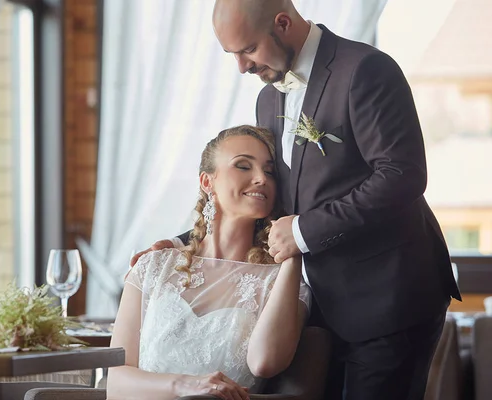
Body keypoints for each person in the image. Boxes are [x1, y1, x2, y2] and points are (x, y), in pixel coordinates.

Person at [133, 1, 462, 399]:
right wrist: (189, 243)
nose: (242, 67)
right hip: (320, 307)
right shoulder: (268, 98)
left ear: (283, 23)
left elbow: (402, 175)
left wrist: (304, 231)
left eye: (248, 50)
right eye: (232, 54)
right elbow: (265, 195)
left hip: (388, 297)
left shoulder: (365, 69)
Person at [108, 125, 311, 400]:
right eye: (243, 166)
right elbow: (116, 383)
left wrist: (292, 251)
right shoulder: (153, 267)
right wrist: (185, 385)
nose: (261, 178)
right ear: (207, 182)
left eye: (270, 172)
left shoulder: (281, 281)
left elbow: (265, 362)